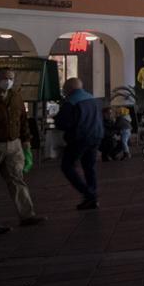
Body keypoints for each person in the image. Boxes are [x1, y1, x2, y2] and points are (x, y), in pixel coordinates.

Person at [0, 68, 45, 232]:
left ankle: (27, 215)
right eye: (5, 78)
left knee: (17, 179)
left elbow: (22, 120)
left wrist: (26, 140)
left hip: (13, 144)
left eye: (11, 78)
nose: (8, 81)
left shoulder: (15, 96)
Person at [57, 78, 103, 210]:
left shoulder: (71, 102)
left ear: (69, 89)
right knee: (89, 167)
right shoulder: (92, 99)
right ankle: (91, 198)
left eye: (65, 89)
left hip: (80, 138)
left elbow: (62, 122)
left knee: (67, 166)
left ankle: (89, 194)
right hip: (96, 136)